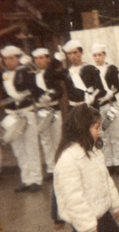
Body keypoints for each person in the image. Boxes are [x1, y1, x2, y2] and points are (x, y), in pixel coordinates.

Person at [54, 104, 119, 232]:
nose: (100, 132)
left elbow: (106, 180)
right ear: (82, 129)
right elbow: (74, 199)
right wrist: (88, 227)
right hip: (86, 222)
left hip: (103, 215)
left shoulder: (94, 152)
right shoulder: (69, 159)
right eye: (96, 128)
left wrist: (115, 206)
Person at [0, 45, 42, 192]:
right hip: (12, 115)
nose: (8, 61)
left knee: (31, 147)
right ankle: (26, 179)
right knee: (18, 149)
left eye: (12, 58)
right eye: (6, 59)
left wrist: (25, 68)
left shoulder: (25, 72)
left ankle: (36, 179)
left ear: (18, 58)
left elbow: (34, 88)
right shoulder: (4, 76)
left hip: (27, 112)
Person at [30, 48, 63, 181]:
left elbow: (60, 90)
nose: (39, 61)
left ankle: (61, 168)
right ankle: (51, 169)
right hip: (41, 110)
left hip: (53, 109)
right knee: (45, 141)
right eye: (36, 58)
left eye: (42, 58)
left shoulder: (53, 73)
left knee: (57, 140)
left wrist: (51, 95)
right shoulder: (32, 75)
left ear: (48, 59)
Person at [91, 43, 119, 175]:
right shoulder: (91, 71)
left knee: (115, 135)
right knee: (103, 135)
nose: (98, 58)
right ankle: (108, 163)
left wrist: (111, 93)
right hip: (99, 106)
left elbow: (118, 87)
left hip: (111, 105)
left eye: (100, 55)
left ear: (104, 55)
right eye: (95, 55)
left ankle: (118, 162)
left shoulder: (111, 69)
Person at [60, 39, 106, 110]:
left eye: (75, 53)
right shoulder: (66, 72)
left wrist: (93, 96)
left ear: (81, 53)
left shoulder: (90, 69)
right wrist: (56, 60)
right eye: (69, 53)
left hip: (90, 107)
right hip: (74, 108)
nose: (72, 56)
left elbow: (101, 89)